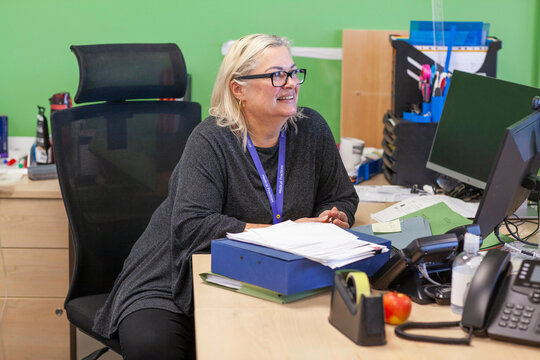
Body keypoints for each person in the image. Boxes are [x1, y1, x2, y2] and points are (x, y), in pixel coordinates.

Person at [92, 33, 359, 359]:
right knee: (154, 347)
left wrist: (334, 215)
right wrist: (285, 234)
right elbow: (193, 226)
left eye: (293, 72)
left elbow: (341, 195)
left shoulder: (311, 129)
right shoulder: (211, 139)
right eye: (277, 75)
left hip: (260, 274)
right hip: (172, 277)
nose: (290, 83)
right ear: (238, 89)